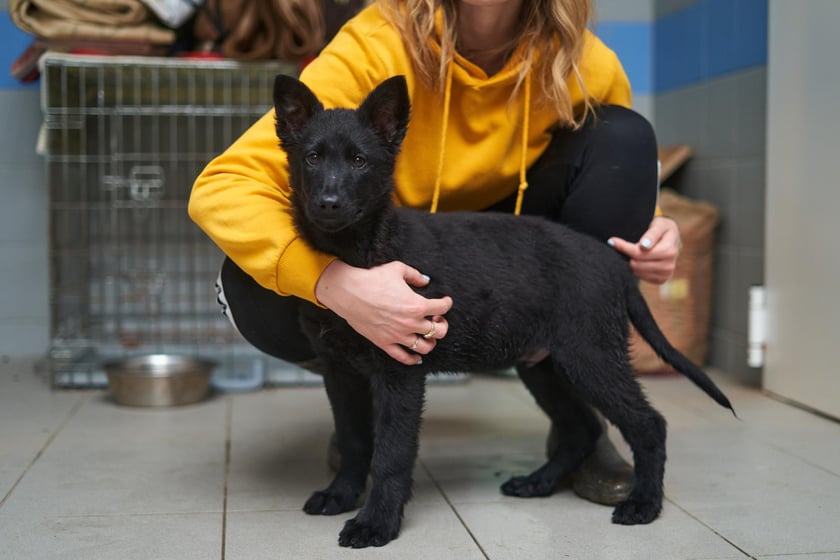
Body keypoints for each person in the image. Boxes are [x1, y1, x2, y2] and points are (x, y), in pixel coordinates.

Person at [189, 0, 681, 506]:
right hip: (390, 239)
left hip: (516, 245)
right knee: (254, 282)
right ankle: (363, 405)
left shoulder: (582, 57)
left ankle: (581, 422)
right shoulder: (379, 39)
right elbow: (224, 185)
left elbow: (623, 165)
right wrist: (331, 282)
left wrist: (655, 225)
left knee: (623, 132)